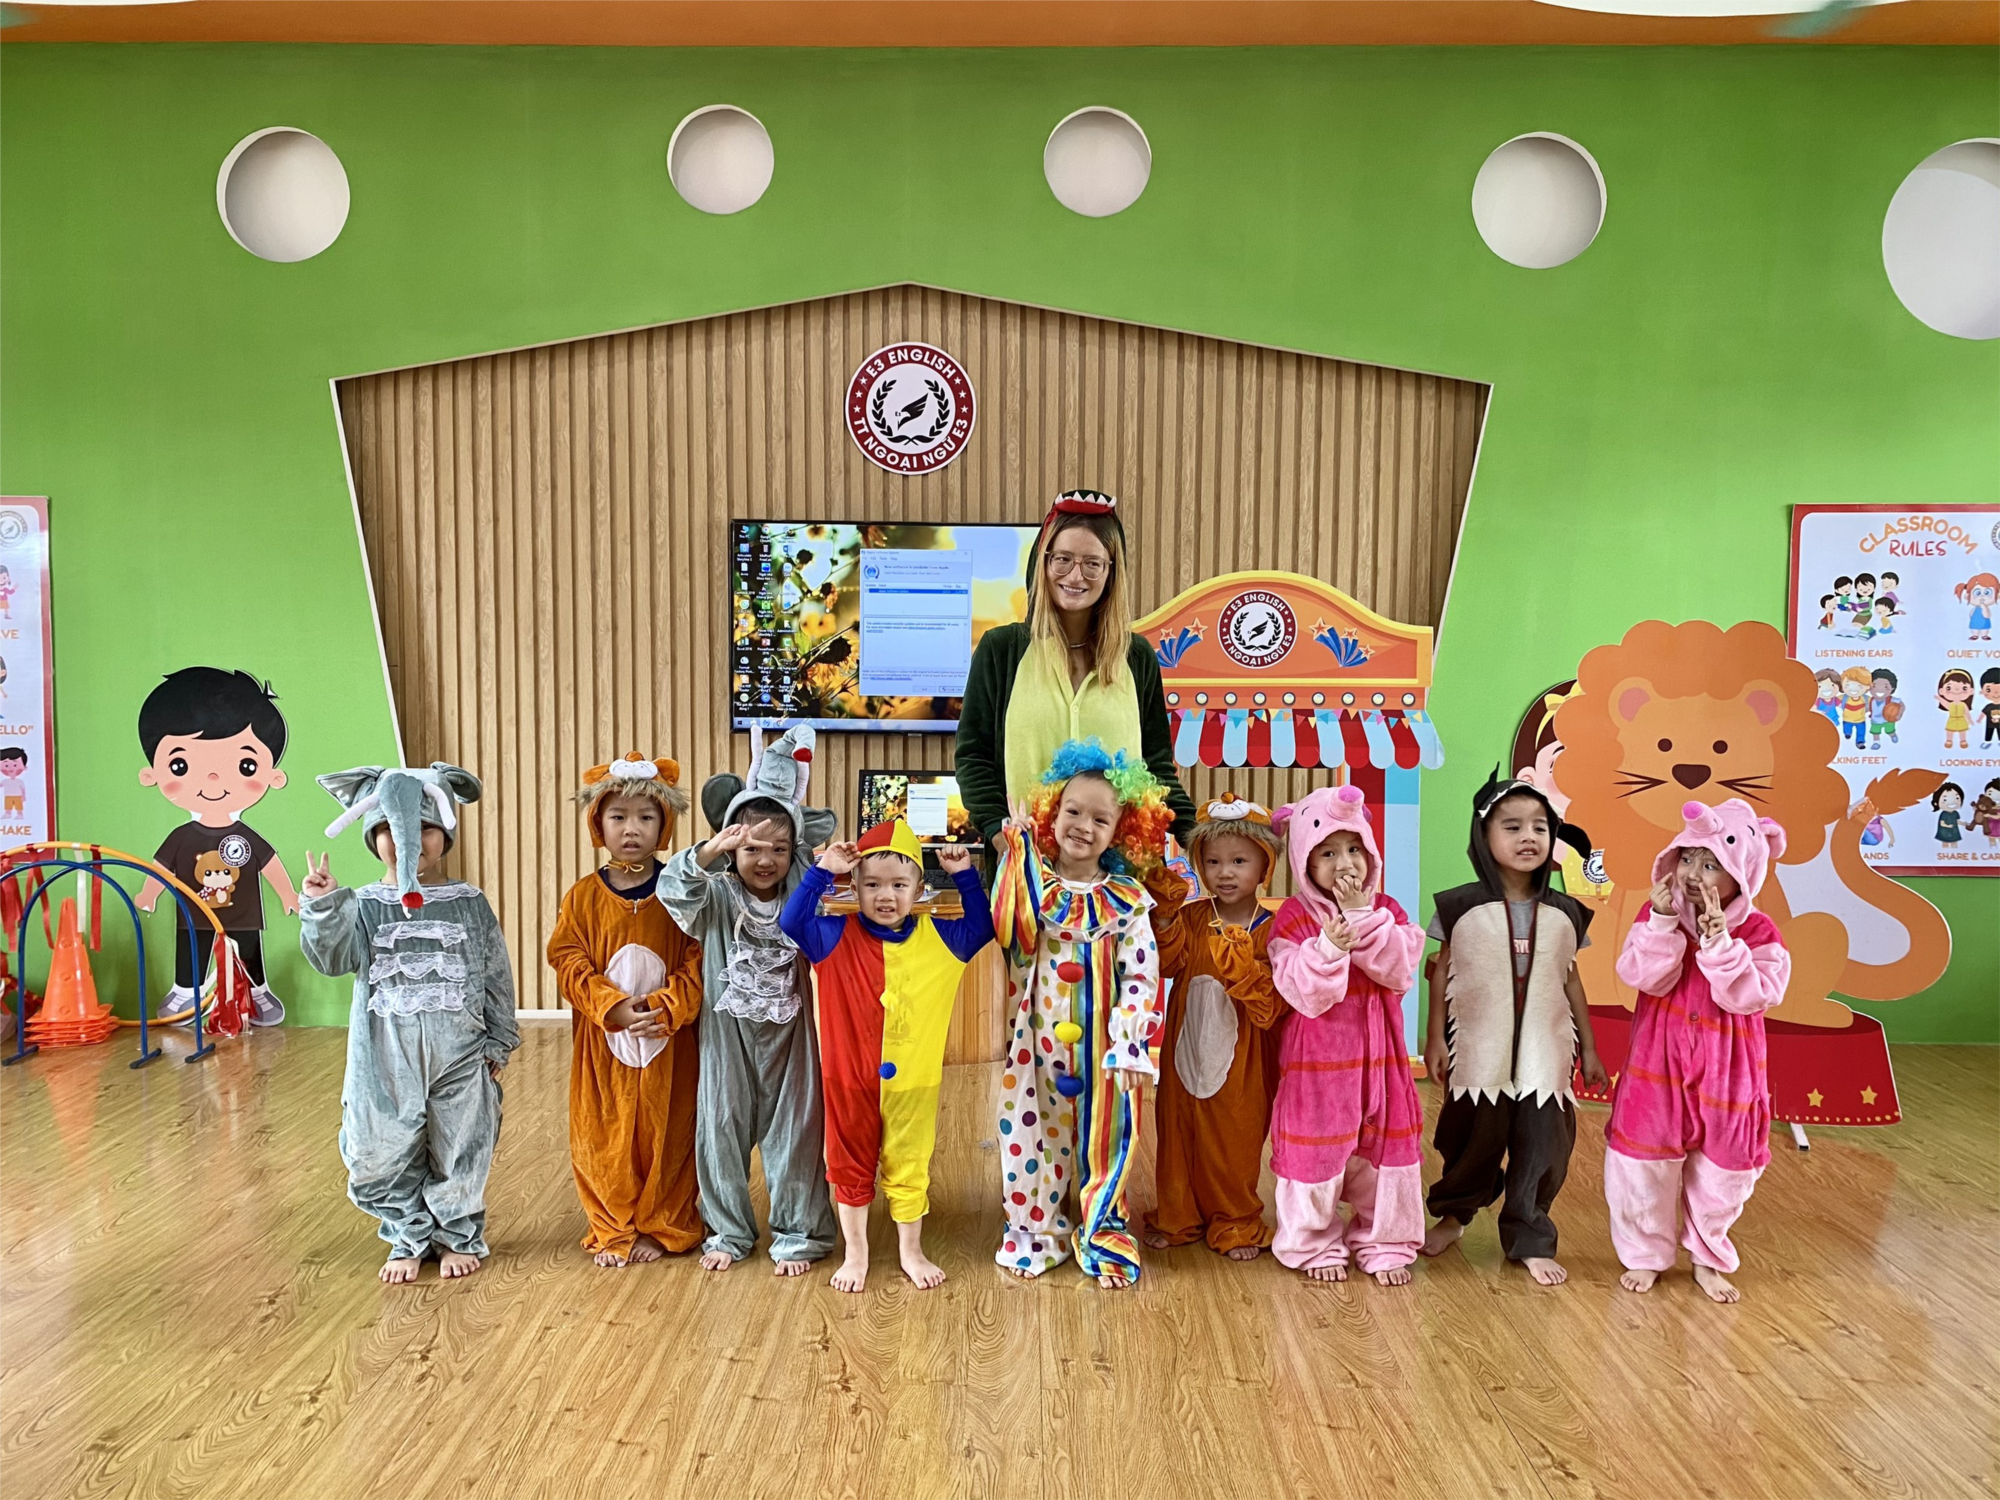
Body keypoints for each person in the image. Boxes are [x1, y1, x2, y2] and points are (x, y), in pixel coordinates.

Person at [300, 763, 519, 1283]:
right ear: (373, 836)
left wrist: (499, 1040)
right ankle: (408, 1233)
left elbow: (495, 972)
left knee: (463, 1144)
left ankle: (456, 1234)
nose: (408, 839)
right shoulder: (364, 905)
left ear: (445, 834)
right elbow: (332, 959)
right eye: (390, 829)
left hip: (461, 1051)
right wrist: (324, 906)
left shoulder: (469, 903)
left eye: (424, 827)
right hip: (382, 1058)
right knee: (374, 1151)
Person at [781, 817, 993, 1293]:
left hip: (912, 1084)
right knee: (848, 1163)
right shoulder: (831, 936)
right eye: (872, 884)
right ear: (853, 886)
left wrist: (964, 875)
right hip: (848, 1081)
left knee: (910, 1163)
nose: (885, 896)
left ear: (919, 888)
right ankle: (856, 1253)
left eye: (899, 884)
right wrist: (824, 870)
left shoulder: (941, 939)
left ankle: (910, 1251)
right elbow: (792, 921)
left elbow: (984, 925)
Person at [989, 738, 1172, 1288]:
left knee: (1108, 1141)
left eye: (1100, 819)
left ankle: (1102, 1232)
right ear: (1053, 813)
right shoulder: (1035, 883)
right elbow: (1010, 927)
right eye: (1072, 811)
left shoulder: (1128, 899)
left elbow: (1141, 974)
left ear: (1123, 831)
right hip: (1038, 1048)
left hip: (1105, 1051)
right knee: (1034, 1137)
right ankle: (1036, 1231)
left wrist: (1130, 1040)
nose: (1083, 827)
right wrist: (1018, 852)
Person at [659, 725, 839, 1275]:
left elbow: (829, 901)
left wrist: (822, 865)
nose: (765, 860)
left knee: (797, 1133)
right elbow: (674, 890)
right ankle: (728, 1231)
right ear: (733, 847)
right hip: (727, 1036)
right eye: (752, 848)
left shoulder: (803, 897)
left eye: (779, 849)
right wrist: (711, 851)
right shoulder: (717, 895)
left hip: (791, 1037)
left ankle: (799, 1233)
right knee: (720, 1128)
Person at [1420, 774, 1606, 1287]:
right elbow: (1440, 972)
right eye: (1513, 827)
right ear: (1484, 837)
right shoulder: (1458, 907)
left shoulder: (1566, 912)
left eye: (1540, 828)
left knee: (1544, 1145)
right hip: (1478, 1048)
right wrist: (1435, 1039)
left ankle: (1530, 1235)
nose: (1528, 837)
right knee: (1469, 1139)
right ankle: (1455, 1214)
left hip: (1546, 1052)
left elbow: (1572, 981)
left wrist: (1590, 1049)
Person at [1606, 798, 1790, 1304]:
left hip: (1729, 1067)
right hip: (1656, 1061)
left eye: (1711, 865)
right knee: (1643, 1160)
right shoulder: (1657, 914)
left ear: (1742, 874)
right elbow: (1642, 977)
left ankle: (1708, 1256)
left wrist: (1720, 944)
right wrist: (1662, 924)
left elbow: (1752, 995)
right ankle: (1645, 1254)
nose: (1692, 873)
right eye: (1687, 858)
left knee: (1724, 1165)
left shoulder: (1759, 932)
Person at [954, 489, 1196, 846]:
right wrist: (1000, 835)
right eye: (1063, 559)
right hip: (1026, 862)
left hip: (1120, 866)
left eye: (1092, 563)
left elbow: (1155, 767)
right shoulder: (1000, 650)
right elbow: (974, 758)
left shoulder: (1137, 656)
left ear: (1111, 571)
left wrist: (1196, 833)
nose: (1075, 575)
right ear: (1043, 562)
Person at [547, 753, 704, 1268]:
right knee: (604, 1132)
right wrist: (610, 1005)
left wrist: (666, 1005)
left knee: (671, 1132)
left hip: (669, 1041)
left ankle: (664, 1223)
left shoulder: (681, 895)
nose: (631, 829)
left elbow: (700, 958)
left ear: (664, 825)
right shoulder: (582, 898)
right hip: (604, 1045)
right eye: (618, 816)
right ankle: (612, 1226)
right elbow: (567, 959)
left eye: (645, 817)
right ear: (599, 823)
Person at [1266, 785, 1427, 1287]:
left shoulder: (1388, 909)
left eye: (1354, 848)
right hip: (1317, 1065)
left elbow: (1398, 971)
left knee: (1383, 1153)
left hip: (1382, 1062)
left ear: (1371, 853)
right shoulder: (1294, 917)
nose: (1345, 863)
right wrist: (1329, 949)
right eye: (1328, 853)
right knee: (1316, 1150)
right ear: (1304, 862)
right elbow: (1302, 991)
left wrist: (1362, 917)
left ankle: (1385, 1242)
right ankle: (1312, 1243)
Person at [1143, 794, 1286, 1260]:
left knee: (1235, 1139)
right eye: (1213, 861)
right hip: (1184, 1052)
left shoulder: (1273, 928)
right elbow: (1166, 965)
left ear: (1264, 867)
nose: (1225, 872)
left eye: (1239, 861)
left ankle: (1236, 1221)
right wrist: (1165, 915)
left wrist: (1247, 968)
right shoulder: (1192, 916)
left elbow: (1273, 1004)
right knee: (1178, 1133)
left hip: (1244, 1062)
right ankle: (1178, 1215)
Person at [134, 667, 299, 1027]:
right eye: (180, 765)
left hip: (244, 916)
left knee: (249, 953)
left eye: (245, 765)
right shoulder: (180, 836)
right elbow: (162, 867)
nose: (212, 778)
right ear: (152, 775)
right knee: (191, 953)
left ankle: (256, 991)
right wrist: (149, 894)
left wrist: (288, 895)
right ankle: (185, 991)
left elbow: (269, 862)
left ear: (273, 776)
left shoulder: (247, 835)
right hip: (193, 915)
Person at [1938, 669, 1976, 751]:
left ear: (1971, 691)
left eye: (1964, 688)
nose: (1956, 690)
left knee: (1962, 731)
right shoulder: (1950, 705)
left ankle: (1963, 741)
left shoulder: (1963, 705)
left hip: (1961, 720)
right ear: (1941, 691)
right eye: (1949, 688)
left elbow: (1966, 713)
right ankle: (1949, 740)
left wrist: (1970, 720)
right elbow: (1945, 703)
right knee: (1949, 731)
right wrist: (1939, 699)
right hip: (1952, 719)